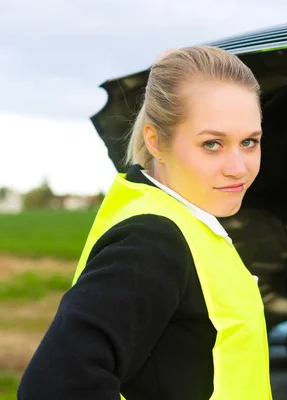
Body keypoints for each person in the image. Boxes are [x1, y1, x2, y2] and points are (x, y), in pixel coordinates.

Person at [17, 46, 271, 400]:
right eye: (212, 144)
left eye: (249, 142)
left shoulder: (186, 224)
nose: (238, 167)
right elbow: (55, 387)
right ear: (156, 142)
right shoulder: (152, 240)